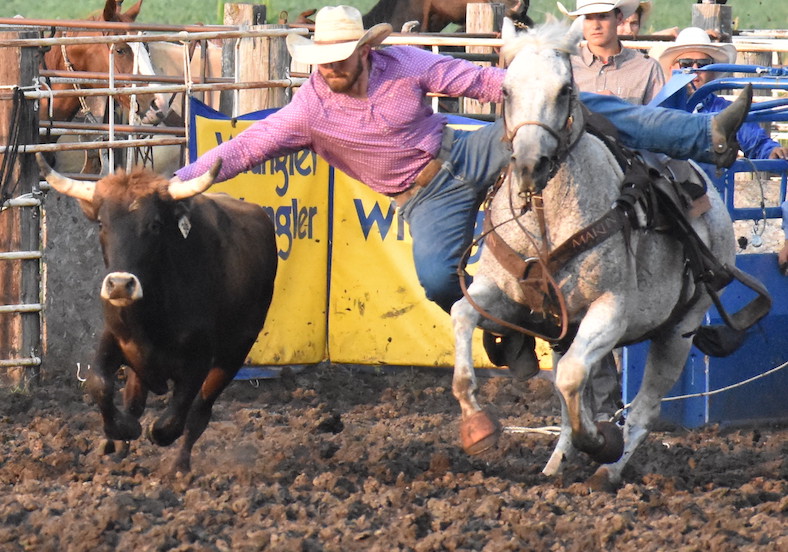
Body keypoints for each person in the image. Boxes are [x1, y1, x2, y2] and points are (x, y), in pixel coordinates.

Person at [172, 5, 753, 376]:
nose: (331, 70)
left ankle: (705, 137)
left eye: (341, 59)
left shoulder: (404, 62)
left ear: (364, 51)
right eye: (323, 62)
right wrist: (181, 179)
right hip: (423, 195)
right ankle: (511, 331)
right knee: (433, 278)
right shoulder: (308, 110)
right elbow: (249, 144)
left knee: (564, 104)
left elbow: (477, 80)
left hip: (466, 149)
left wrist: (532, 85)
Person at [655, 27, 788, 273]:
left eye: (702, 64)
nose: (694, 71)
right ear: (673, 68)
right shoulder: (660, 108)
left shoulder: (722, 109)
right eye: (686, 63)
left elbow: (753, 138)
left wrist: (770, 151)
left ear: (712, 70)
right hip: (669, 203)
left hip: (714, 204)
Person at [557, 0, 664, 105]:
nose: (595, 26)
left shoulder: (647, 68)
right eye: (587, 18)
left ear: (619, 18)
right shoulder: (565, 66)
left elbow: (658, 119)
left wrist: (620, 107)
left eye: (603, 16)